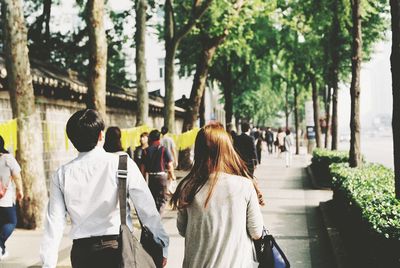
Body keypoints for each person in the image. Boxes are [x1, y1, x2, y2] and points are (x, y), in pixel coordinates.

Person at [40, 109, 169, 268]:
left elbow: (54, 224)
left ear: (72, 139)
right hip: (118, 251)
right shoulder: (123, 163)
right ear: (101, 135)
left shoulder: (61, 174)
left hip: (82, 255)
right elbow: (147, 210)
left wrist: (48, 263)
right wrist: (163, 246)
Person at [171, 122, 264, 268]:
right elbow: (256, 232)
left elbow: (182, 230)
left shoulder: (187, 186)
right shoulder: (244, 186)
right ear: (227, 149)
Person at [142, 129, 176, 215]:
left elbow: (143, 167)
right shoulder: (163, 149)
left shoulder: (145, 151)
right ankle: (157, 218)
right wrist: (172, 176)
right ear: (159, 138)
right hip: (162, 178)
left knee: (153, 199)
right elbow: (169, 164)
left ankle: (154, 218)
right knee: (162, 199)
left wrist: (143, 180)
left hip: (151, 178)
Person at [0, 136, 23, 260]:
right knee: (11, 222)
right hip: (5, 199)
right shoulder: (8, 159)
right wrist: (20, 191)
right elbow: (17, 177)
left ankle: (2, 249)